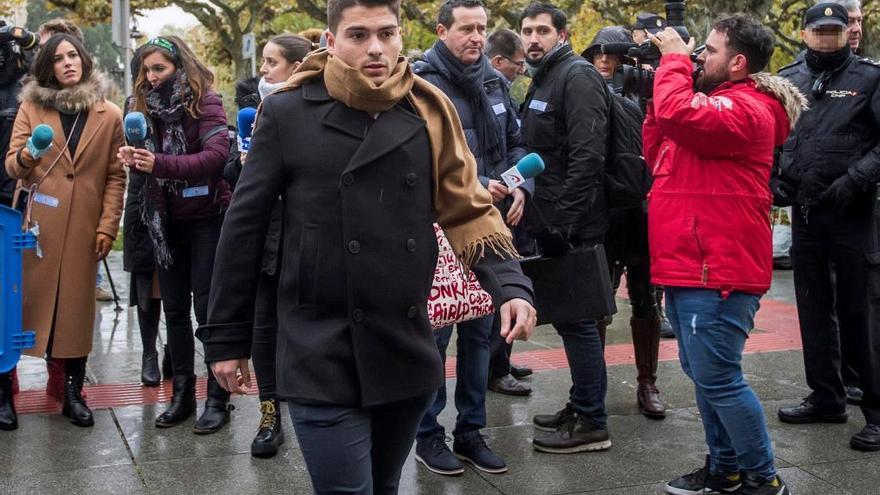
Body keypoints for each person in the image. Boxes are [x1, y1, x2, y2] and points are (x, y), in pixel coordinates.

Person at [197, 0, 537, 492]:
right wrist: (227, 340)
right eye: (358, 35)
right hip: (320, 345)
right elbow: (243, 228)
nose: (375, 47)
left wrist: (511, 286)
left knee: (383, 486)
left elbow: (470, 209)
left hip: (402, 344)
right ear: (332, 43)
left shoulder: (428, 110)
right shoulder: (289, 111)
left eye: (386, 33)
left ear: (401, 37)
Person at [643, 15, 805, 494]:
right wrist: (662, 98)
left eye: (707, 52)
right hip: (693, 264)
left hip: (717, 269)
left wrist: (671, 62)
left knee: (720, 378)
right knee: (705, 375)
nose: (698, 58)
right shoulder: (714, 104)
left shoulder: (748, 110)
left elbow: (678, 116)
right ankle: (726, 468)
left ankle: (762, 478)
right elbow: (658, 149)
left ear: (737, 62)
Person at [410, 0, 530, 476]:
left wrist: (522, 184)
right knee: (435, 337)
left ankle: (471, 431)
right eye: (466, 29)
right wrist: (472, 187)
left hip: (491, 227)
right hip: (440, 231)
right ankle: (427, 434)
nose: (477, 37)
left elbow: (517, 143)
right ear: (442, 31)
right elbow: (417, 164)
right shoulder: (421, 86)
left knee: (482, 335)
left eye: (482, 28)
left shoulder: (495, 81)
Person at [2, 33, 126, 429]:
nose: (69, 62)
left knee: (75, 311)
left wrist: (108, 225)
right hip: (36, 228)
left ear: (85, 60)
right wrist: (28, 154)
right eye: (59, 58)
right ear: (48, 67)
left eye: (74, 55)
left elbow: (114, 176)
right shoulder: (31, 107)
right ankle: (3, 392)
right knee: (16, 311)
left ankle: (72, 393)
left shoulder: (110, 114)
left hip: (84, 228)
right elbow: (12, 167)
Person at [774, 2, 880, 453]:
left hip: (852, 213)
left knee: (861, 313)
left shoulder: (870, 77)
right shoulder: (788, 78)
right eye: (820, 31)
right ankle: (826, 396)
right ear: (805, 34)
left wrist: (855, 180)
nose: (829, 37)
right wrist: (775, 177)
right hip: (806, 211)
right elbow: (776, 136)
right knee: (812, 307)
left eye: (836, 30)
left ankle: (875, 411)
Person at [119, 36, 230, 433]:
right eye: (146, 71)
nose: (151, 78)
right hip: (163, 223)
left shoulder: (206, 102)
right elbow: (146, 168)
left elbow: (216, 158)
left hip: (206, 219)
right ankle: (183, 393)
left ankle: (218, 398)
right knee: (175, 313)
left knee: (207, 310)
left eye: (159, 69)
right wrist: (134, 158)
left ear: (179, 67)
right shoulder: (139, 109)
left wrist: (158, 163)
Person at [519, 2, 612, 454]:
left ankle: (593, 420)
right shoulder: (545, 77)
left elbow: (587, 157)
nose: (532, 39)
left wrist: (563, 224)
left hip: (574, 224)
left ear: (562, 34)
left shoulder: (576, 76)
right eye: (526, 31)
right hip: (553, 220)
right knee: (571, 323)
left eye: (541, 30)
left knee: (578, 323)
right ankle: (581, 403)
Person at [231, 34, 315, 459]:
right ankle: (269, 415)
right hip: (268, 243)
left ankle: (313, 410)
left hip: (311, 244)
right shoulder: (255, 110)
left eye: (272, 62)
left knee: (307, 330)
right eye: (262, 61)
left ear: (299, 66)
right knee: (264, 330)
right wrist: (245, 165)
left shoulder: (321, 107)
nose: (263, 70)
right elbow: (232, 168)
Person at [581, 25, 667, 420]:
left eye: (611, 53)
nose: (603, 59)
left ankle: (647, 382)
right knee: (598, 302)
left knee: (647, 301)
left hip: (647, 213)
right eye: (597, 52)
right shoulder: (584, 92)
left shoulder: (652, 93)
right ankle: (591, 385)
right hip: (604, 213)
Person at [483, 27, 536, 397]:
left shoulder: (499, 88)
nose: (522, 70)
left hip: (505, 207)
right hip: (470, 209)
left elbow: (517, 145)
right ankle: (490, 367)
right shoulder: (435, 86)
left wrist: (521, 185)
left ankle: (500, 362)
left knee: (508, 289)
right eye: (518, 64)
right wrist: (479, 182)